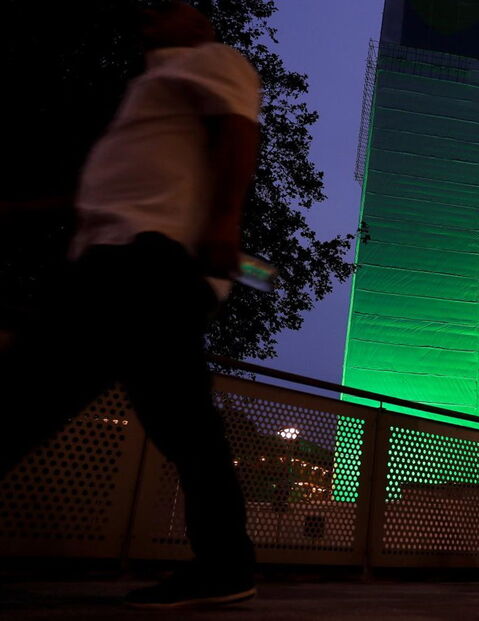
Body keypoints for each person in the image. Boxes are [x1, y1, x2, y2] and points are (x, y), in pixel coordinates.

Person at [0, 1, 260, 608]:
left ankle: (226, 566)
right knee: (183, 425)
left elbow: (238, 128)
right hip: (128, 263)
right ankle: (225, 566)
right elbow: (110, 188)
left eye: (171, 8)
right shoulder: (148, 89)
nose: (152, 14)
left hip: (144, 261)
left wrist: (224, 223)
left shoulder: (211, 60)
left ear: (198, 27)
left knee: (23, 397)